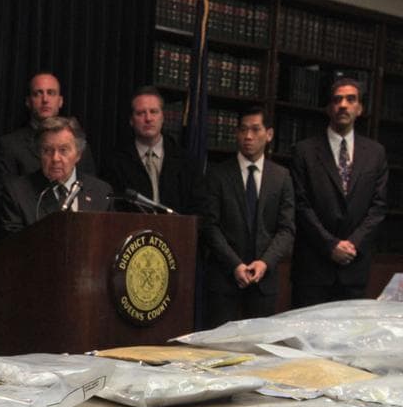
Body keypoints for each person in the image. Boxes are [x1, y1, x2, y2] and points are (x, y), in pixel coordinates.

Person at [290, 78, 388, 307]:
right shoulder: (304, 151)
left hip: (355, 269)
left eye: (350, 99)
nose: (343, 105)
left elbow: (378, 207)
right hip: (313, 270)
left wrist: (352, 244)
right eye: (337, 100)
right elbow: (300, 205)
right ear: (329, 108)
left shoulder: (375, 153)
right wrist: (330, 245)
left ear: (360, 108)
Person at [201, 107, 294, 329]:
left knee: (259, 352)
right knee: (218, 349)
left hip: (264, 281)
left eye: (255, 129)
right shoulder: (218, 174)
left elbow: (286, 229)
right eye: (243, 130)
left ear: (269, 134)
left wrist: (265, 263)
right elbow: (210, 227)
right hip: (224, 279)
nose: (248, 136)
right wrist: (235, 264)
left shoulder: (281, 177)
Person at [0, 116, 112, 235]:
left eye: (63, 150)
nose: (55, 158)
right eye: (47, 150)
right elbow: (10, 246)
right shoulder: (17, 193)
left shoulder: (101, 192)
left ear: (78, 155)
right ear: (39, 154)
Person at [0, 72, 96, 200]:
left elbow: (91, 190)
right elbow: (5, 197)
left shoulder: (78, 142)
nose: (45, 99)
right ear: (28, 102)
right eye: (38, 93)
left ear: (60, 101)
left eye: (51, 93)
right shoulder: (9, 145)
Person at [101, 86, 198, 214]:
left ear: (163, 117)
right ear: (131, 120)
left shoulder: (185, 161)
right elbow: (110, 207)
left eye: (154, 112)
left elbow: (197, 207)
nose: (148, 119)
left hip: (175, 231)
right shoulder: (115, 162)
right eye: (141, 113)